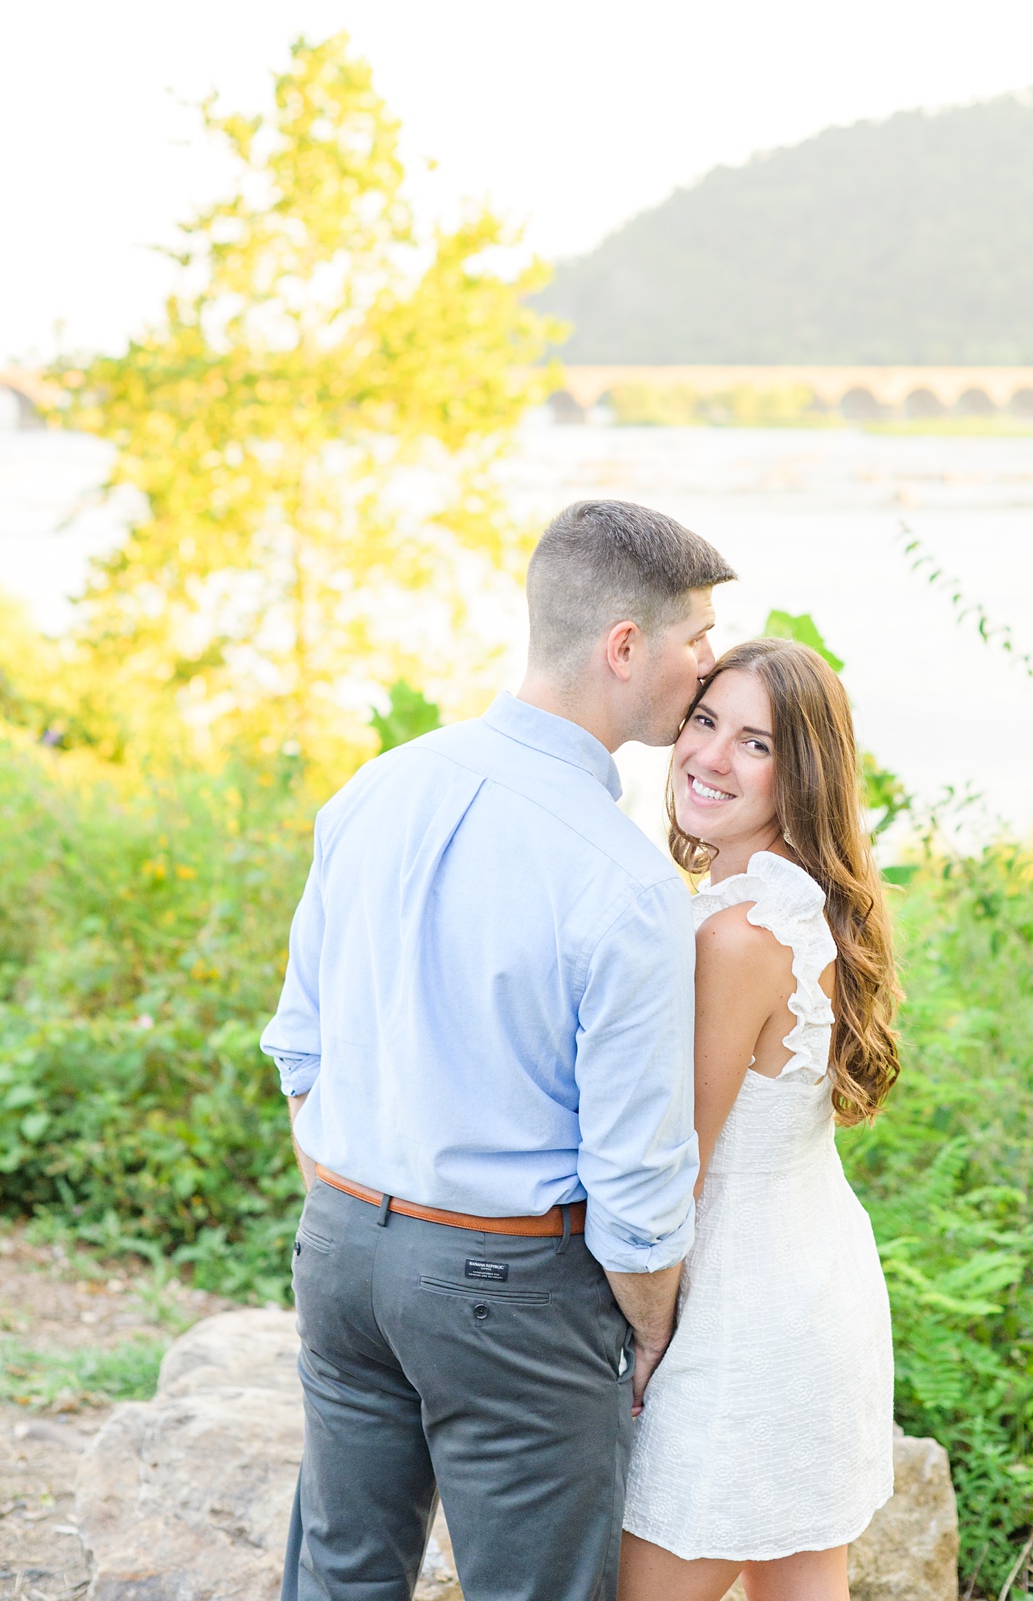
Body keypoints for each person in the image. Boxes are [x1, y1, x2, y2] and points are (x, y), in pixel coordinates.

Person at [263, 499, 735, 1601]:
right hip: (509, 1283)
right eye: (697, 637)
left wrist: (355, 1202)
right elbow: (635, 1178)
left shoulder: (374, 789)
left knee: (339, 1577)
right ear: (626, 648)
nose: (709, 665)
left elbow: (300, 1046)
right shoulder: (624, 884)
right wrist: (650, 1329)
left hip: (340, 1243)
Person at [620, 638, 902, 1601]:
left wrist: (641, 1333)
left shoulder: (735, 934)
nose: (710, 757)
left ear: (804, 773)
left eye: (755, 744)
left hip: (741, 1322)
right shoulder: (788, 903)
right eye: (704, 722)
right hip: (814, 1288)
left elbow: (676, 1162)